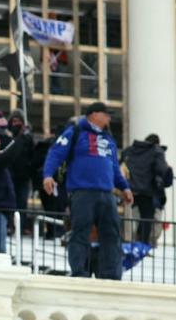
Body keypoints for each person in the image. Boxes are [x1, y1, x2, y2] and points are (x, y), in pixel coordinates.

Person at [42, 102, 133, 279]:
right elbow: (56, 153)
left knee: (112, 234)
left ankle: (111, 273)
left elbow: (114, 167)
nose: (108, 118)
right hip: (82, 192)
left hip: (107, 194)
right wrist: (48, 175)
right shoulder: (75, 132)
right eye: (106, 114)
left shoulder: (109, 140)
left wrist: (124, 187)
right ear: (94, 114)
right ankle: (79, 271)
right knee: (80, 232)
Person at [122, 134, 172, 246]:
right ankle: (143, 247)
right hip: (149, 193)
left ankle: (140, 245)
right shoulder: (156, 152)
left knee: (140, 221)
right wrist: (168, 172)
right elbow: (163, 173)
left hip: (133, 190)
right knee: (148, 221)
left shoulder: (131, 151)